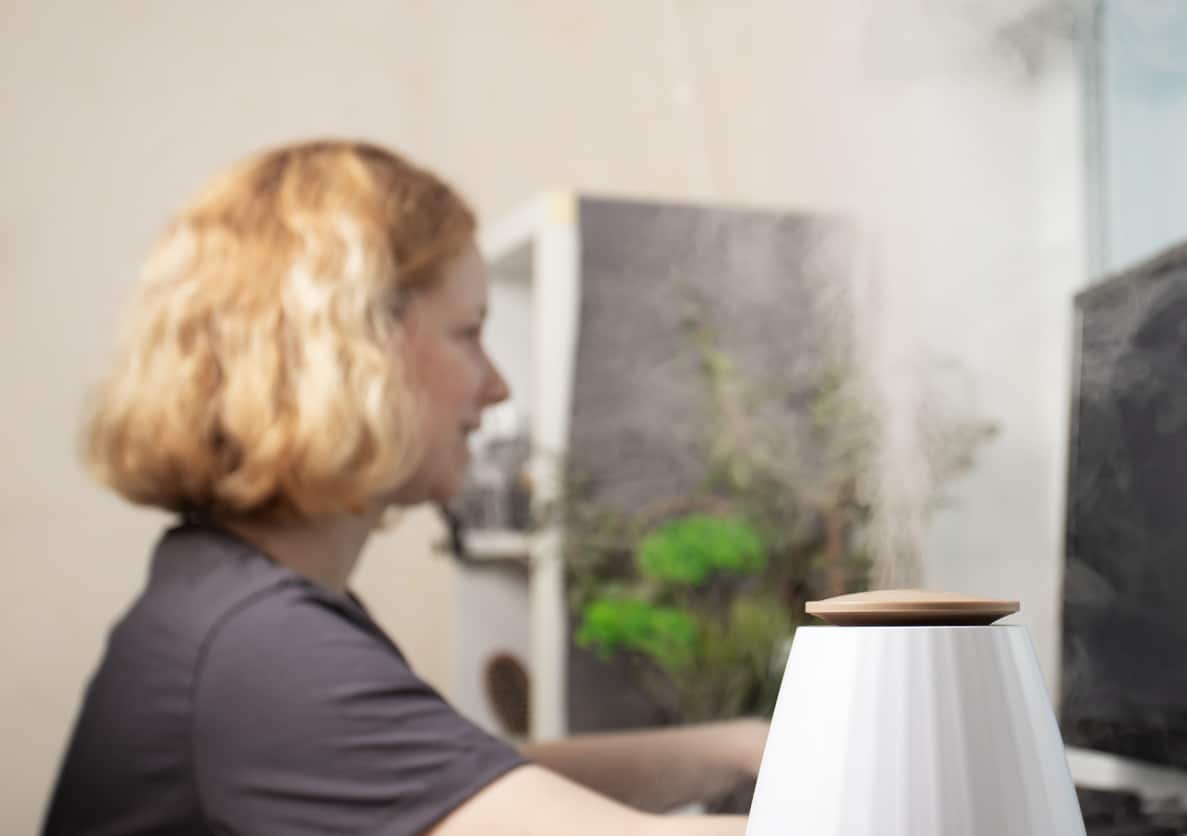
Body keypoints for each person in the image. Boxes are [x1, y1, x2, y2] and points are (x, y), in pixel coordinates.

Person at [42, 140, 766, 836]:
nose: (497, 385)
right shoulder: (265, 653)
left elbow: (459, 780)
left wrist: (730, 751)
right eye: (468, 332)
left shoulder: (230, 594)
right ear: (356, 355)